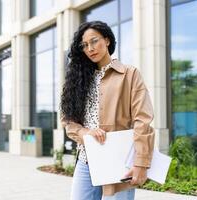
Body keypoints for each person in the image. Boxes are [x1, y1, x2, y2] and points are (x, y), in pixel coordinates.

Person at [60, 21, 155, 200]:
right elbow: (69, 120)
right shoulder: (79, 80)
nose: (90, 48)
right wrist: (85, 132)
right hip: (86, 159)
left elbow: (143, 120)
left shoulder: (129, 74)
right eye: (85, 45)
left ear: (107, 40)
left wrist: (141, 163)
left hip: (119, 160)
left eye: (94, 41)